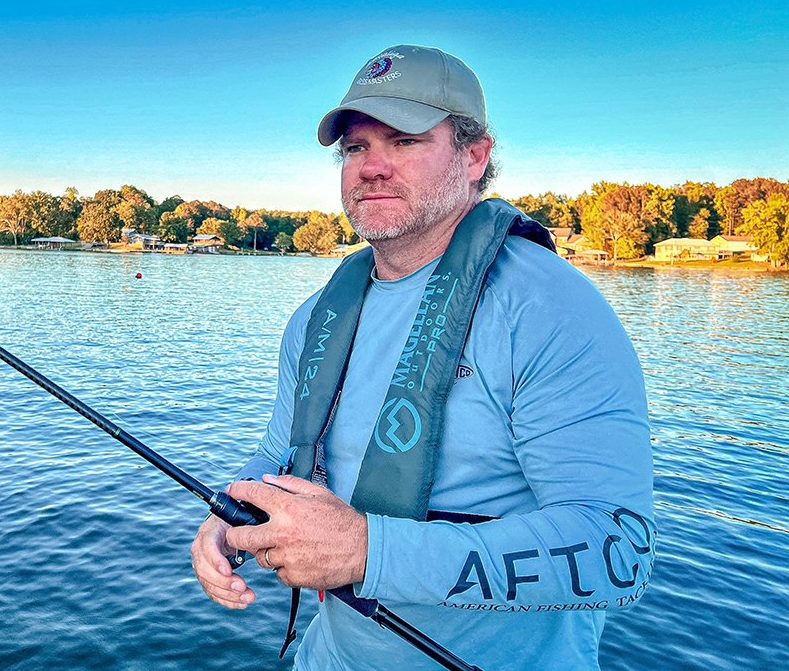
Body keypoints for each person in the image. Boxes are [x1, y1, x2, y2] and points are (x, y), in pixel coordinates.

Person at [190, 45, 654, 670]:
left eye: (404, 141)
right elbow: (277, 454)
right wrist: (229, 518)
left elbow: (617, 551)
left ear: (475, 155)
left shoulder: (549, 309)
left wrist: (369, 552)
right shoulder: (315, 318)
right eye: (355, 147)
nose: (371, 168)